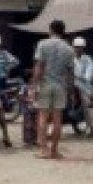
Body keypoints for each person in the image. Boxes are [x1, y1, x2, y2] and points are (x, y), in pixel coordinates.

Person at [31, 19, 74, 159]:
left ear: (50, 30)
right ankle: (54, 150)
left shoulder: (42, 44)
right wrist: (71, 90)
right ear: (63, 31)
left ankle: (44, 150)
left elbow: (39, 67)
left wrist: (34, 85)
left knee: (43, 117)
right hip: (61, 86)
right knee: (57, 120)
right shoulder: (69, 48)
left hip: (45, 83)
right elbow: (70, 73)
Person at [72, 37, 93, 133]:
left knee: (85, 101)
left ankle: (89, 125)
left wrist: (77, 77)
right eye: (76, 47)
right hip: (70, 84)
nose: (78, 49)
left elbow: (88, 76)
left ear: (83, 48)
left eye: (80, 47)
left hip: (84, 86)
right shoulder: (70, 58)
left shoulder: (88, 59)